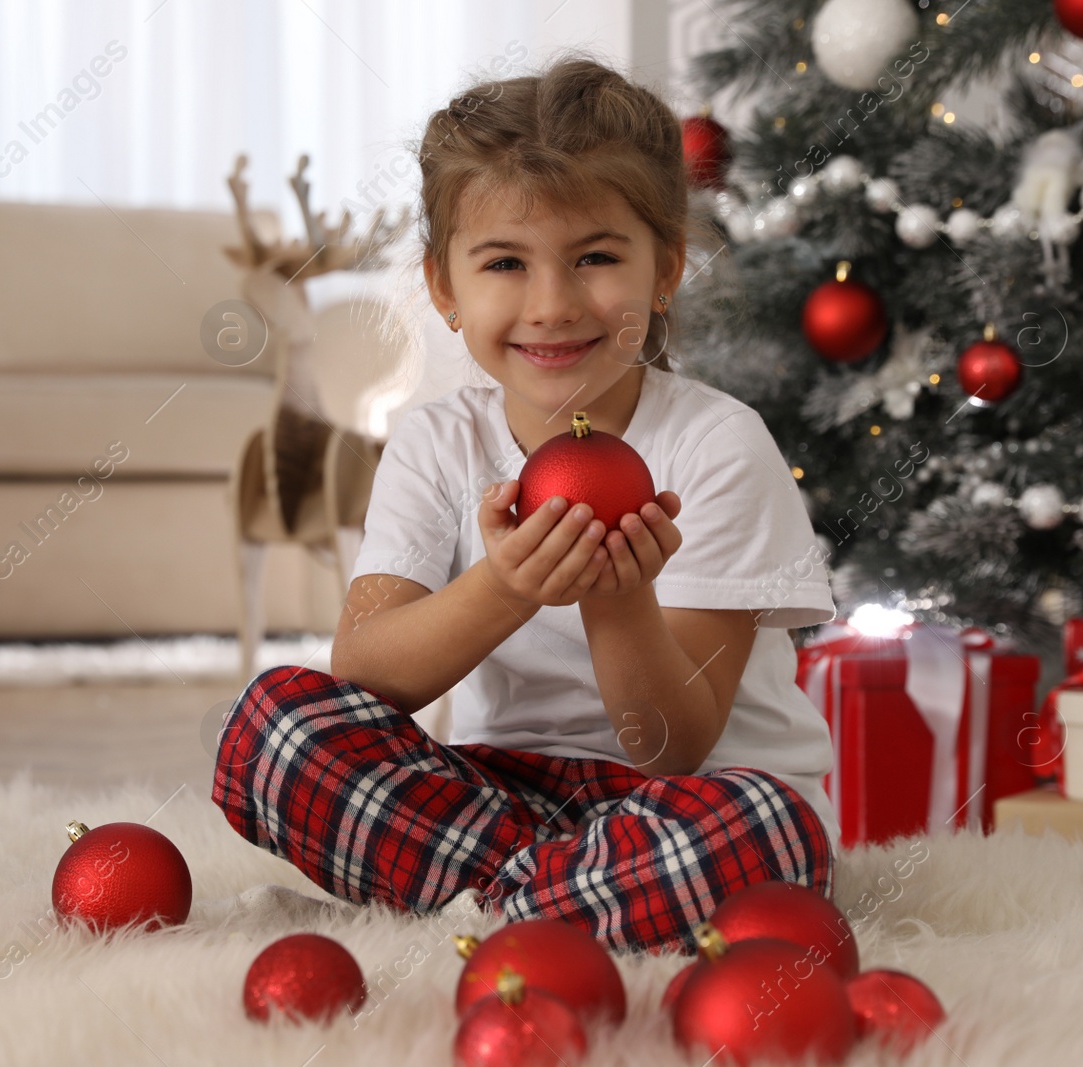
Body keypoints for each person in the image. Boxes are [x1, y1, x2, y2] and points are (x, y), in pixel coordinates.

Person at [213, 56, 838, 953]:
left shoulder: (716, 445)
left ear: (666, 268)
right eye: (505, 262)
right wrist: (503, 588)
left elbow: (675, 745)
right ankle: (556, 903)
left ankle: (473, 914)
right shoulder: (435, 443)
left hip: (687, 801)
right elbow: (366, 677)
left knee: (770, 830)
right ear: (445, 289)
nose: (553, 304)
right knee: (274, 727)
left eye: (596, 257)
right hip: (499, 794)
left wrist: (616, 596)